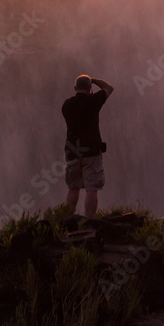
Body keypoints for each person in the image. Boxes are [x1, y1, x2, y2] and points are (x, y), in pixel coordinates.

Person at [62, 74, 114, 218]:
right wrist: (94, 80)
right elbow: (109, 88)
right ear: (90, 88)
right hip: (91, 152)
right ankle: (89, 220)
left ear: (75, 88)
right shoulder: (94, 101)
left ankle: (67, 220)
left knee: (73, 187)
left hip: (72, 152)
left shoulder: (66, 105)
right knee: (91, 188)